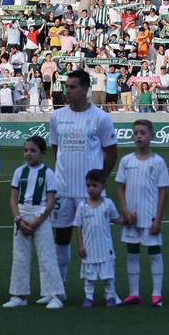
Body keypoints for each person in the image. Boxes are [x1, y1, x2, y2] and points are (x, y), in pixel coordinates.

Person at [50, 69, 119, 294]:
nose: (67, 91)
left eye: (72, 87)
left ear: (85, 89)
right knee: (61, 237)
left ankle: (108, 290)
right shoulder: (57, 116)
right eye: (66, 87)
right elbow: (55, 149)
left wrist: (101, 181)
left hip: (89, 192)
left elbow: (111, 153)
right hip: (62, 189)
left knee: (98, 240)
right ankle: (58, 288)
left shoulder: (101, 118)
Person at [4, 136, 64, 310]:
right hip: (22, 216)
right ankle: (19, 295)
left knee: (47, 256)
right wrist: (18, 219)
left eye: (32, 150)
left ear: (42, 153)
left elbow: (51, 201)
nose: (28, 154)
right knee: (20, 257)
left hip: (41, 216)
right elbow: (13, 198)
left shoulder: (48, 173)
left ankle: (55, 294)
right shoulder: (18, 172)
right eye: (26, 150)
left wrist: (38, 221)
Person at [116, 119, 169, 306]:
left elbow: (163, 191)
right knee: (132, 253)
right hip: (131, 217)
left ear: (151, 136)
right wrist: (125, 212)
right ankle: (134, 293)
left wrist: (158, 219)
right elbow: (120, 188)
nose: (138, 136)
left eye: (142, 132)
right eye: (136, 132)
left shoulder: (158, 162)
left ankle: (157, 294)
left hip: (150, 217)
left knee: (154, 252)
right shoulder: (126, 161)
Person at [75, 168, 123, 307]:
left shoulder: (108, 203)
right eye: (88, 185)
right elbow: (78, 226)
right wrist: (80, 245)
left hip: (105, 247)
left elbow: (116, 219)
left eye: (94, 185)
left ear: (103, 187)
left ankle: (110, 296)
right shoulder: (82, 206)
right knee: (89, 276)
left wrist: (127, 219)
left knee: (108, 274)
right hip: (89, 247)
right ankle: (88, 297)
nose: (91, 189)